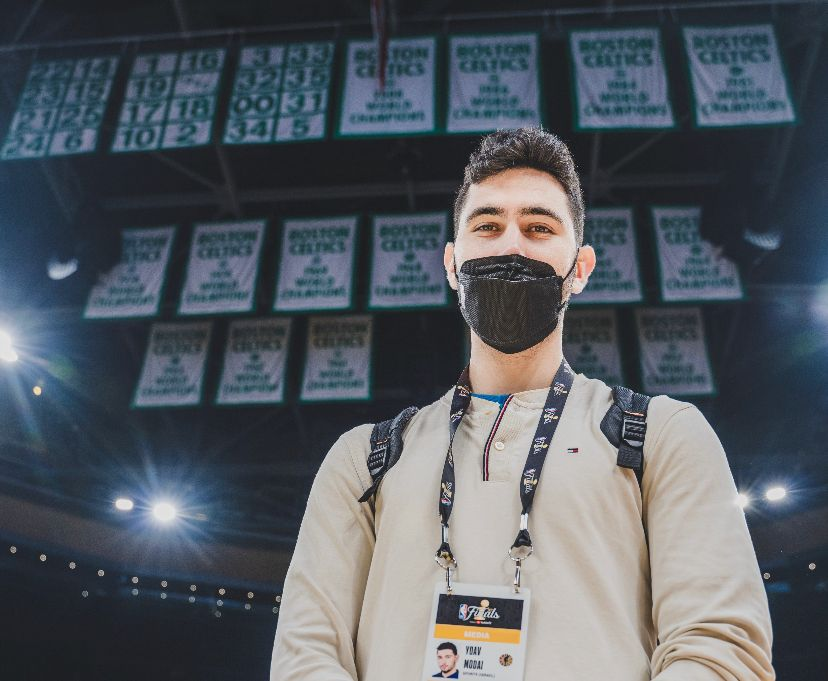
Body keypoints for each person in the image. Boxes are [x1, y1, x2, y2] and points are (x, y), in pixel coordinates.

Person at [270, 128, 775, 680]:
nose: (512, 245)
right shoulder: (363, 459)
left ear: (580, 269)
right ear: (451, 264)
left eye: (539, 228)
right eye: (487, 225)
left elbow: (718, 647)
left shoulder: (662, 435)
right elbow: (307, 655)